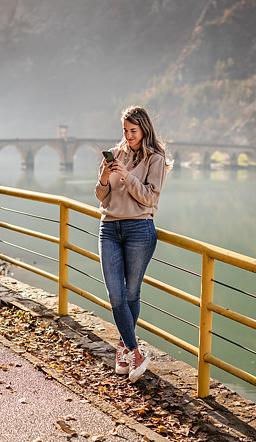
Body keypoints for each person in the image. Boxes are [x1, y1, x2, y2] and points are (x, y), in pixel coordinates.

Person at [95, 106, 172, 382]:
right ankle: (135, 353)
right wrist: (104, 176)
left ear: (145, 130)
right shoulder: (116, 154)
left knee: (130, 294)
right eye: (125, 131)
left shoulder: (156, 159)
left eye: (133, 131)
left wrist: (126, 175)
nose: (128, 136)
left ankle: (122, 347)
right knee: (115, 294)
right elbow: (101, 196)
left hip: (139, 228)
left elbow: (149, 199)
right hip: (109, 228)